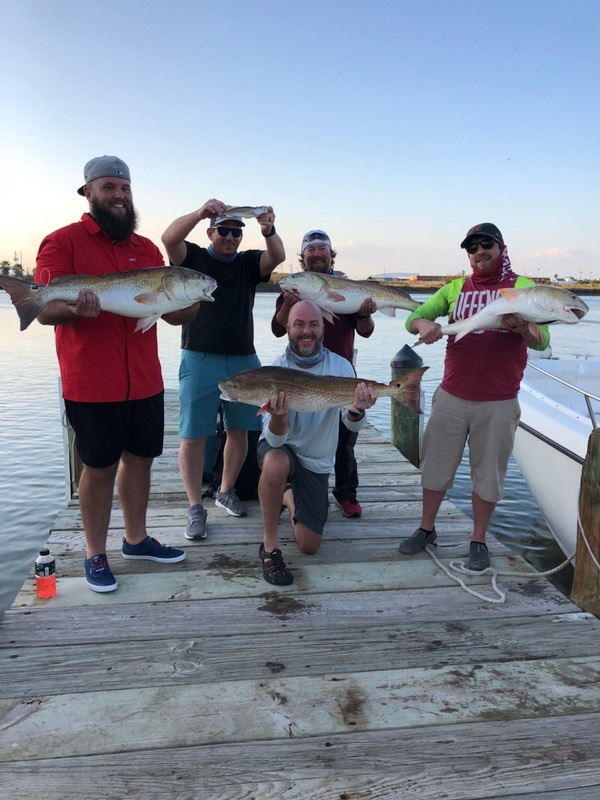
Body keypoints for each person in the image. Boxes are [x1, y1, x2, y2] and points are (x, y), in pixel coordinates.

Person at [35, 155, 188, 593]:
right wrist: (71, 308)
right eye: (108, 187)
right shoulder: (61, 242)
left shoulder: (147, 249)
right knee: (98, 468)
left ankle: (136, 540)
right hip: (91, 381)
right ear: (88, 193)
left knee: (141, 461)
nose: (119, 196)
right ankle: (94, 554)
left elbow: (169, 312)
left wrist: (189, 302)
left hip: (145, 378)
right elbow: (45, 309)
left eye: (124, 188)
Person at [397, 223, 551, 570]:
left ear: (501, 248)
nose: (479, 252)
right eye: (472, 247)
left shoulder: (522, 287)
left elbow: (543, 341)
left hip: (498, 402)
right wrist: (424, 327)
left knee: (489, 476)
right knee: (434, 468)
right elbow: (417, 317)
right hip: (451, 396)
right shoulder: (455, 288)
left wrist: (523, 327)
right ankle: (426, 528)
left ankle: (478, 539)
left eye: (486, 245)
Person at [161, 201, 285, 541]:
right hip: (199, 356)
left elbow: (276, 258)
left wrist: (268, 229)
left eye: (235, 232)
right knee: (193, 434)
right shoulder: (196, 258)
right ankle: (194, 507)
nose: (230, 237)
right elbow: (169, 239)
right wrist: (200, 212)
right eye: (224, 230)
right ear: (211, 232)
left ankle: (226, 490)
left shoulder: (246, 263)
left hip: (245, 358)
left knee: (241, 430)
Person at [257, 300, 377, 586]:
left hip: (316, 459)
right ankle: (269, 547)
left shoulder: (340, 366)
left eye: (313, 324)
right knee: (275, 461)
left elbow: (351, 424)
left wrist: (357, 409)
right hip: (281, 448)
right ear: (288, 328)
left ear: (323, 327)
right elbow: (273, 439)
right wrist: (280, 418)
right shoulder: (276, 369)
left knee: (309, 545)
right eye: (299, 324)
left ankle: (287, 495)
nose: (306, 331)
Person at [271, 229, 376, 518]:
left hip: (341, 371)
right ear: (303, 258)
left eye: (322, 249)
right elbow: (278, 328)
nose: (317, 254)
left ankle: (345, 494)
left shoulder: (347, 286)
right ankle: (294, 489)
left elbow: (365, 332)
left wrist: (365, 313)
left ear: (331, 255)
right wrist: (290, 304)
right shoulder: (292, 288)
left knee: (345, 439)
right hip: (301, 374)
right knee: (298, 432)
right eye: (311, 250)